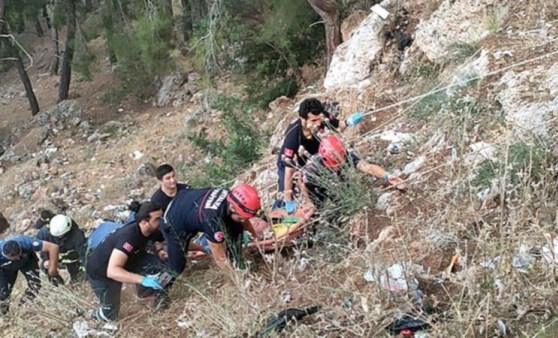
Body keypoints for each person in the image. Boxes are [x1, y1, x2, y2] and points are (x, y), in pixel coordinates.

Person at [86, 202, 170, 322]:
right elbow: (113, 271)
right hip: (102, 273)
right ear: (145, 223)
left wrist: (202, 248)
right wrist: (143, 279)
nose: (161, 221)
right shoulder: (129, 237)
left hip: (131, 260)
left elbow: (172, 240)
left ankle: (148, 298)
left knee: (158, 266)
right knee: (110, 315)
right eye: (157, 219)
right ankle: (93, 315)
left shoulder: (153, 228)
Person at [275, 98, 364, 212]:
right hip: (290, 163)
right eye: (313, 120)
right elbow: (289, 170)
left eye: (319, 119)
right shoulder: (293, 135)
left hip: (313, 155)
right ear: (303, 118)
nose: (318, 123)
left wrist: (348, 122)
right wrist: (288, 198)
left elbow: (337, 125)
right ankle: (278, 218)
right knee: (285, 194)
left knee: (332, 178)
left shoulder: (321, 116)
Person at [163, 184, 262, 275]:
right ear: (232, 207)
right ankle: (156, 287)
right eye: (241, 217)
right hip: (174, 219)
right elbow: (220, 258)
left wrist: (255, 238)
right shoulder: (212, 219)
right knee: (177, 265)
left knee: (236, 229)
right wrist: (237, 278)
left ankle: (238, 262)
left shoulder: (232, 198)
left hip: (189, 202)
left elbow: (244, 221)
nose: (244, 220)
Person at [300, 135, 406, 211]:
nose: (339, 166)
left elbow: (366, 167)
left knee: (343, 199)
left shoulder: (343, 155)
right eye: (335, 165)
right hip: (316, 190)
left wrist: (387, 176)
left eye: (341, 163)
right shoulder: (314, 169)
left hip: (337, 185)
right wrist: (308, 202)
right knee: (312, 213)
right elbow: (303, 185)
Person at [0, 235, 60, 315]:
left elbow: (53, 247)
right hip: (6, 268)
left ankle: (22, 306)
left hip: (27, 261)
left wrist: (53, 268)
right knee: (3, 292)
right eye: (15, 257)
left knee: (35, 284)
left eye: (19, 255)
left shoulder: (25, 242)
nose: (18, 259)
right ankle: (4, 314)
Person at [37, 214, 87, 285]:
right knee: (47, 266)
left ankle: (76, 278)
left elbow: (83, 254)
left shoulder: (76, 235)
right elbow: (42, 248)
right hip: (53, 254)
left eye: (61, 235)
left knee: (76, 272)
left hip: (71, 257)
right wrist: (46, 259)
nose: (59, 237)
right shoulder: (45, 233)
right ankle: (57, 284)